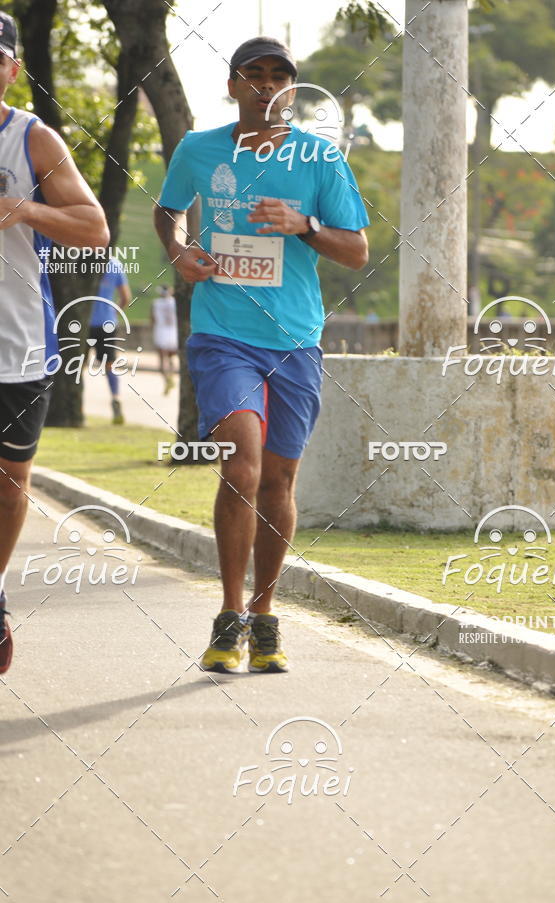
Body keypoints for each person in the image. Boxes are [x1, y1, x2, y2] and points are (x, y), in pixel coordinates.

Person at [154, 36, 369, 674]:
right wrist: (179, 249)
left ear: (291, 91)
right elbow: (168, 212)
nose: (266, 86)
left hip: (296, 338)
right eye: (254, 75)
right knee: (241, 466)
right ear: (233, 85)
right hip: (222, 334)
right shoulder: (199, 149)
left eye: (279, 77)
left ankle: (265, 612)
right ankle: (228, 615)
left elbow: (356, 249)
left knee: (277, 479)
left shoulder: (319, 157)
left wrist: (304, 226)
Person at [0, 11, 109, 674]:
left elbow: (94, 227)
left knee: (11, 484)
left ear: (11, 69)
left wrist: (23, 209)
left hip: (17, 344)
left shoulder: (31, 138)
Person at [88, 257, 131, 423]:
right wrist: (113, 314)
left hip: (83, 323)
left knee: (76, 366)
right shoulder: (115, 264)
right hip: (107, 323)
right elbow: (126, 297)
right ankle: (115, 397)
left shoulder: (81, 262)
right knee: (109, 365)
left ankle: (75, 404)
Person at [151, 284, 178, 394]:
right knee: (171, 358)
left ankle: (167, 379)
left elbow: (152, 319)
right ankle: (171, 376)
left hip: (161, 331)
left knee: (162, 359)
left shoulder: (156, 303)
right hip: (173, 332)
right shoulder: (175, 302)